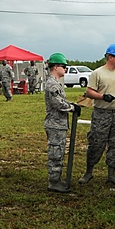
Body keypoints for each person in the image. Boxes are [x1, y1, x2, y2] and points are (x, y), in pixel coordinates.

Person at [80, 44, 115, 185]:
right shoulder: (98, 73)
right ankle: (89, 172)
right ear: (109, 57)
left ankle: (111, 174)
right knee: (96, 143)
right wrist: (102, 97)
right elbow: (89, 92)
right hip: (102, 113)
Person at [43, 53, 80, 193]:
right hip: (55, 125)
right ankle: (54, 182)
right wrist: (72, 108)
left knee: (59, 152)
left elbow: (61, 100)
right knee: (55, 154)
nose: (65, 69)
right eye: (64, 66)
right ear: (56, 67)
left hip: (59, 124)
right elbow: (57, 103)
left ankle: (57, 179)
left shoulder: (56, 82)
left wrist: (72, 104)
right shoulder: (52, 84)